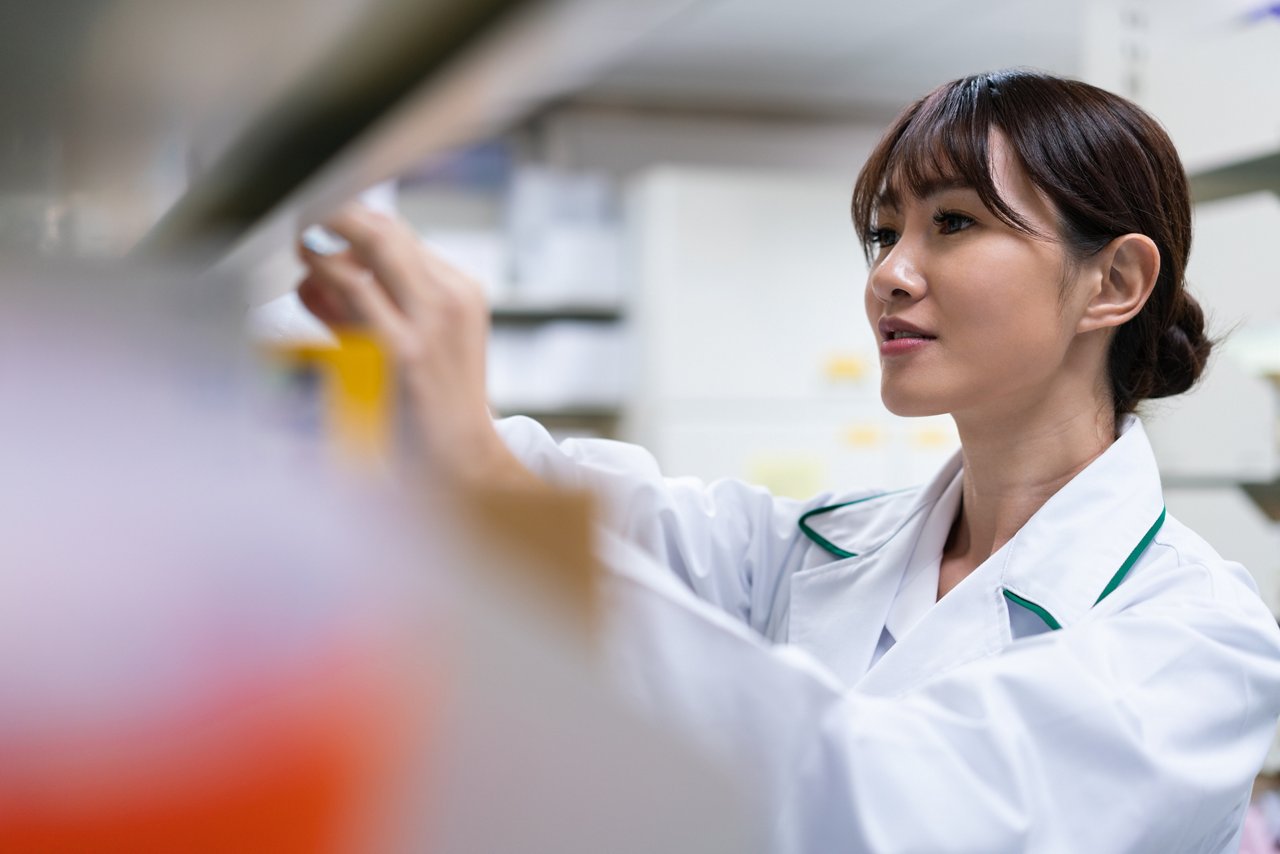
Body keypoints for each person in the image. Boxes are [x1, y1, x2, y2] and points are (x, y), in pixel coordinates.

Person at [296, 69, 1280, 852]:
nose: (889, 273)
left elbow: (887, 814)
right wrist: (398, 394)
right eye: (884, 230)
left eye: (952, 223)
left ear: (1112, 279)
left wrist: (483, 472)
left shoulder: (1196, 639)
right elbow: (597, 504)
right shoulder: (824, 545)